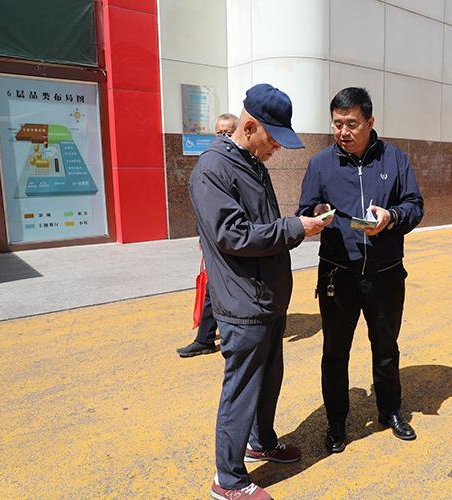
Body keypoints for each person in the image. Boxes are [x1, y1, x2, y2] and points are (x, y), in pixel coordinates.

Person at [190, 84, 328, 500]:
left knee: (268, 380)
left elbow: (262, 227)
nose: (277, 148)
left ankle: (261, 440)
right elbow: (232, 234)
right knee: (242, 389)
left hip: (266, 296)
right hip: (242, 301)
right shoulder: (213, 169)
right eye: (273, 139)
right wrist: (294, 228)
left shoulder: (250, 163)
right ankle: (228, 479)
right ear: (249, 127)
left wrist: (300, 222)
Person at [297, 87, 424, 453]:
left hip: (386, 273)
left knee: (386, 347)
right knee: (335, 352)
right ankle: (337, 421)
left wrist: (391, 216)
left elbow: (415, 205)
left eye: (351, 124)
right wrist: (317, 214)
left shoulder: (394, 159)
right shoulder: (320, 163)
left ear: (369, 122)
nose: (344, 132)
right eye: (337, 124)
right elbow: (304, 209)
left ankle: (390, 410)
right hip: (338, 274)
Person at [177, 113, 240, 358]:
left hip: (233, 238)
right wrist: (201, 237)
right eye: (219, 132)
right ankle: (205, 337)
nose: (223, 136)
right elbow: (204, 205)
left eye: (228, 132)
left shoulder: (239, 161)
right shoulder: (211, 160)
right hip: (213, 239)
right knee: (213, 288)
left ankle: (209, 338)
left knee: (218, 289)